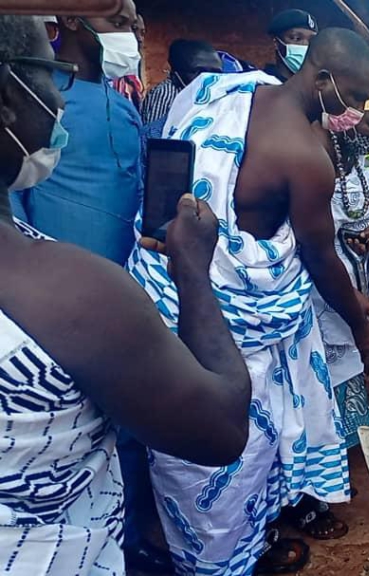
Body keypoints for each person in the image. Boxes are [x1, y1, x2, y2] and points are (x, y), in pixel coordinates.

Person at [0, 15, 251, 575]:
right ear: (6, 103)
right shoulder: (74, 296)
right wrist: (192, 270)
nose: (60, 101)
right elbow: (223, 428)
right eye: (52, 74)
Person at [126, 28, 369, 574]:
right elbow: (318, 256)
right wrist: (357, 316)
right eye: (354, 96)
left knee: (200, 453)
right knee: (233, 455)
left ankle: (243, 545)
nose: (357, 110)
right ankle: (221, 562)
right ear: (320, 78)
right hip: (230, 324)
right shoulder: (306, 156)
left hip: (166, 295)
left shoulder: (229, 91)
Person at [301, 78, 369, 541]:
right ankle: (313, 495)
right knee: (324, 380)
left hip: (362, 267)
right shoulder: (314, 157)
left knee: (357, 373)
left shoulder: (358, 161)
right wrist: (344, 240)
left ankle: (339, 471)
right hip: (325, 285)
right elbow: (312, 228)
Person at [10, 3, 143, 267]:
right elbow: (10, 191)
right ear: (71, 19)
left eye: (131, 26)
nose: (130, 37)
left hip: (126, 277)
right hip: (54, 279)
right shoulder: (37, 97)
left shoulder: (124, 107)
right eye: (117, 24)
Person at [139, 39, 222, 136]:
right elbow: (156, 141)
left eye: (216, 73)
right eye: (199, 72)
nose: (208, 78)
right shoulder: (165, 94)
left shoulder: (218, 94)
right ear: (176, 74)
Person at [264, 8, 318, 82]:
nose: (306, 45)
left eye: (312, 40)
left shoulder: (317, 88)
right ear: (276, 43)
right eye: (296, 38)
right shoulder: (259, 84)